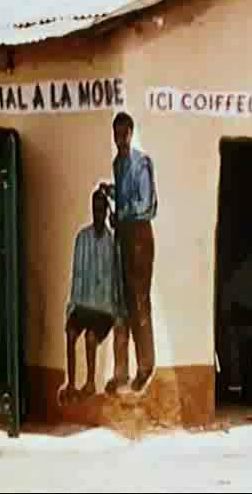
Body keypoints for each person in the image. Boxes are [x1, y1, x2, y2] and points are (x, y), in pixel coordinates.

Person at [100, 111, 158, 396]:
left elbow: (144, 204)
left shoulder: (141, 163)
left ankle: (145, 367)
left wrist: (120, 213)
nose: (120, 139)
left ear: (131, 134)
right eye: (117, 134)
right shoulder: (118, 164)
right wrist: (112, 192)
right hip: (123, 237)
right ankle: (120, 373)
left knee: (138, 302)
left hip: (139, 238)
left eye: (124, 134)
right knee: (120, 303)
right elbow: (126, 196)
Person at [58, 190, 123, 404]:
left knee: (91, 338)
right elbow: (76, 275)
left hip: (103, 308)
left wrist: (115, 312)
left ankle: (90, 383)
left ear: (106, 211)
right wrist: (72, 308)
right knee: (70, 333)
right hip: (84, 304)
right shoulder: (82, 238)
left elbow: (115, 281)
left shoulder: (112, 244)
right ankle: (71, 384)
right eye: (95, 209)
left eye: (101, 210)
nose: (98, 214)